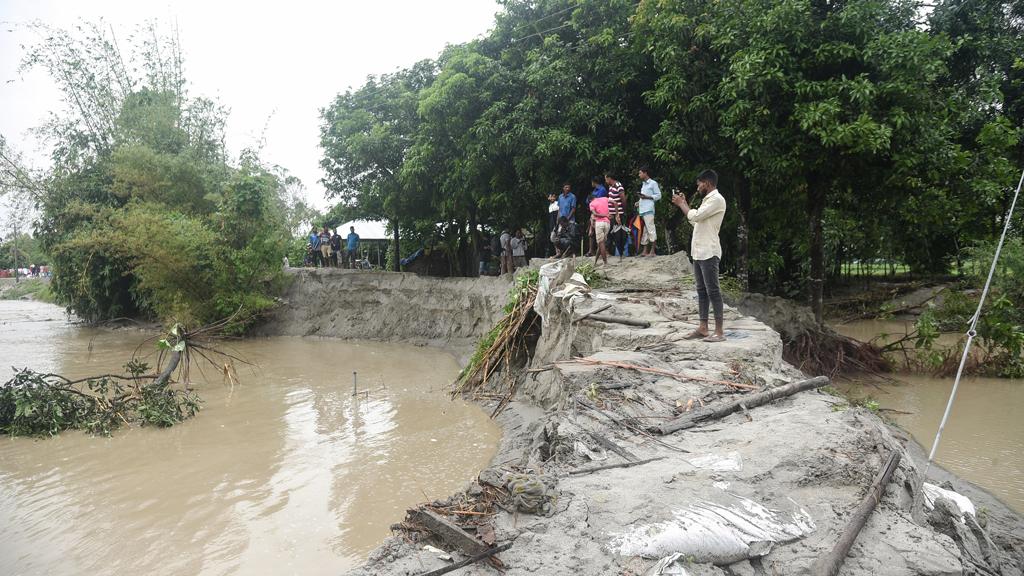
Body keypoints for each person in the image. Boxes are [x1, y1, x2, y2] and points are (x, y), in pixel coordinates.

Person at [671, 169, 728, 342]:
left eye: (699, 184)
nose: (698, 187)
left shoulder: (717, 200)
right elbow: (694, 218)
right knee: (702, 291)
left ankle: (719, 332)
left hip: (709, 251)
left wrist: (682, 204)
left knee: (713, 291)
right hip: (699, 252)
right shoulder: (707, 201)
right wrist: (685, 204)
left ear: (708, 183)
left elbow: (695, 216)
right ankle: (703, 328)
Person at [636, 165, 661, 257]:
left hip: (649, 209)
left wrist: (647, 197)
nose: (639, 175)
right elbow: (644, 197)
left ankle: (653, 251)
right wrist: (639, 202)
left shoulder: (653, 183)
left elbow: (658, 195)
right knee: (645, 230)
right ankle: (645, 251)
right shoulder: (644, 184)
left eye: (640, 173)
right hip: (643, 210)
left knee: (651, 229)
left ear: (645, 173)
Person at [605, 172, 628, 259]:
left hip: (619, 214)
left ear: (609, 178)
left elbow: (623, 198)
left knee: (620, 234)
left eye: (606, 179)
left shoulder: (618, 185)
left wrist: (624, 211)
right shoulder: (610, 187)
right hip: (612, 214)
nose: (605, 181)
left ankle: (622, 253)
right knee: (612, 232)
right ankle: (614, 252)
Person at [589, 191, 610, 266]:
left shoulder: (592, 205)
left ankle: (605, 262)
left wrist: (591, 230)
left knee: (601, 244)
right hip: (607, 223)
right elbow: (614, 202)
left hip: (599, 224)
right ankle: (595, 261)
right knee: (601, 244)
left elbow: (592, 220)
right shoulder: (604, 199)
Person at [547, 193, 559, 257]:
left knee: (556, 237)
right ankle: (557, 252)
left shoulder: (557, 203)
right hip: (551, 224)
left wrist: (557, 223)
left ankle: (559, 252)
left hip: (557, 223)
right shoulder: (549, 206)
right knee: (553, 238)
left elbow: (558, 214)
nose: (552, 198)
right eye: (551, 197)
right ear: (548, 198)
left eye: (554, 197)